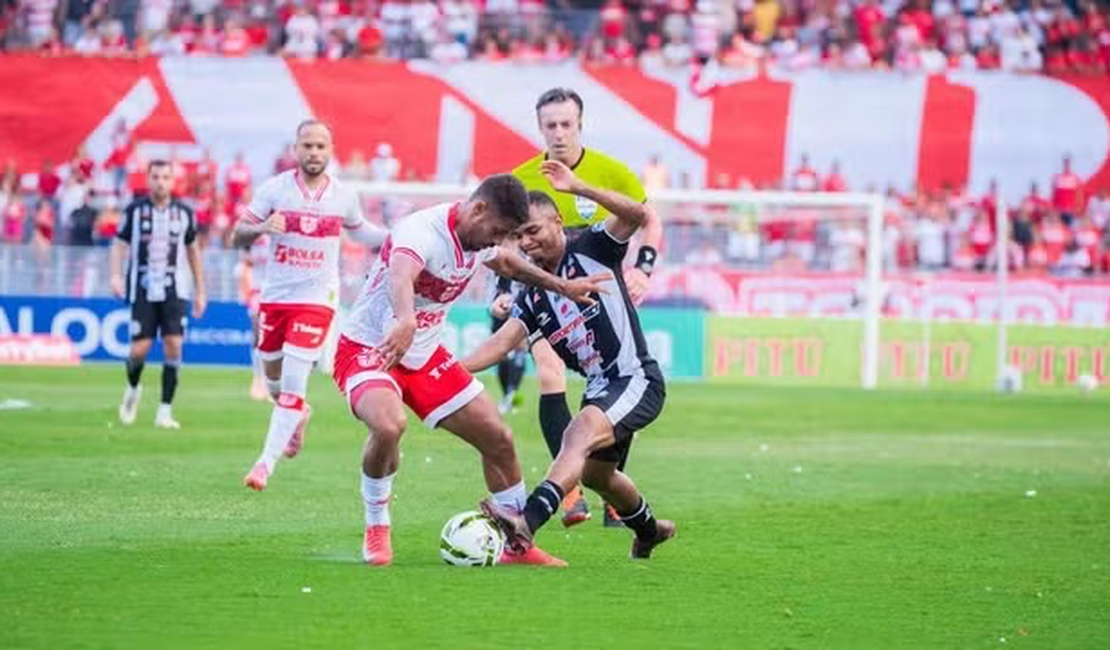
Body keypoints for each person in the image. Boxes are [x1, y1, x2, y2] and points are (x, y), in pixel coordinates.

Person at [331, 174, 609, 567]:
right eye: (498, 232)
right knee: (389, 425)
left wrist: (561, 286)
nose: (498, 241)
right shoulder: (421, 231)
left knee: (499, 438)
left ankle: (517, 544)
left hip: (425, 355)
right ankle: (377, 524)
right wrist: (406, 319)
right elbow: (401, 274)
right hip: (371, 348)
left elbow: (508, 262)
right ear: (478, 209)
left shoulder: (481, 239)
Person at [466, 164, 674, 560]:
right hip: (600, 389)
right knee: (600, 476)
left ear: (558, 223)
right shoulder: (533, 293)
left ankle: (526, 522)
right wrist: (445, 369)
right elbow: (501, 343)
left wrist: (579, 186)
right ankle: (651, 531)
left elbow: (637, 215)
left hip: (635, 379)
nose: (526, 243)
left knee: (577, 433)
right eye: (518, 236)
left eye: (533, 231)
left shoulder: (593, 247)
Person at [510, 87, 664, 528]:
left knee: (615, 377)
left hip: (601, 287)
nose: (559, 133)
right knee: (549, 371)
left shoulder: (610, 171)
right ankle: (570, 491)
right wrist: (505, 287)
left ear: (580, 124)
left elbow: (647, 218)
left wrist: (643, 269)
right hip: (544, 291)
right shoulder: (522, 179)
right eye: (550, 125)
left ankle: (608, 488)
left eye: (566, 124)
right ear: (539, 128)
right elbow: (508, 239)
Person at [232, 119, 386, 491]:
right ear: (296, 150)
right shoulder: (274, 190)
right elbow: (237, 235)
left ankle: (264, 464)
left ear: (330, 151)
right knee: (274, 383)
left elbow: (361, 231)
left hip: (317, 300)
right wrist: (262, 227)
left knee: (293, 382)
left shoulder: (343, 195)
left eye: (320, 146)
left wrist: (398, 237)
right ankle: (297, 414)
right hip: (275, 299)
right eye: (308, 146)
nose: (314, 152)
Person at [110, 160, 207, 429]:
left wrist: (200, 290)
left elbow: (193, 251)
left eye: (165, 177)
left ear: (172, 181)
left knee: (174, 345)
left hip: (175, 289)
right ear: (148, 179)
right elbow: (118, 245)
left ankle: (164, 411)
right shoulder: (134, 210)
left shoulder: (184, 212)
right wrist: (115, 275)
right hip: (142, 288)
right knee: (139, 349)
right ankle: (133, 388)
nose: (160, 182)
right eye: (155, 177)